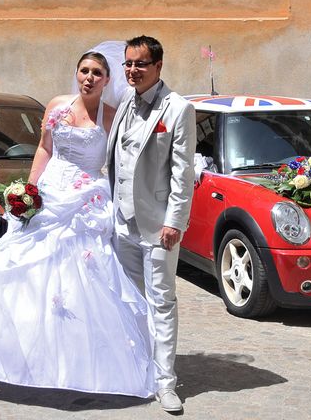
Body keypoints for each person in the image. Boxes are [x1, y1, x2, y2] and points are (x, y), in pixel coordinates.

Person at [0, 51, 155, 398]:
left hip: (85, 200)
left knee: (86, 279)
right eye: (84, 70)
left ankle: (81, 363)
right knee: (30, 272)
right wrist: (29, 189)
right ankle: (25, 360)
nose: (89, 77)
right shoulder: (57, 106)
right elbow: (44, 148)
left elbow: (122, 162)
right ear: (76, 73)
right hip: (50, 195)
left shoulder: (112, 118)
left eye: (97, 72)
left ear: (107, 80)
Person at [107, 36, 196, 412]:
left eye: (140, 64)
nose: (132, 70)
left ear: (158, 66)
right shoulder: (126, 101)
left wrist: (175, 221)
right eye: (128, 63)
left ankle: (165, 383)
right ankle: (135, 370)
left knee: (161, 302)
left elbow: (183, 171)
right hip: (122, 221)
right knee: (129, 300)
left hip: (158, 227)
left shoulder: (178, 108)